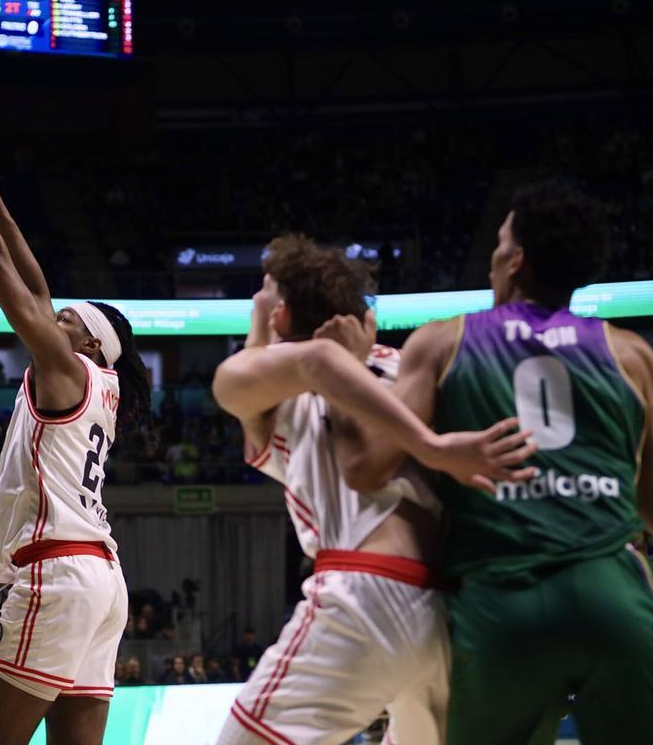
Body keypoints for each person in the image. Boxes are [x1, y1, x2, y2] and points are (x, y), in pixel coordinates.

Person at [344, 180, 653, 744]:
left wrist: (345, 374)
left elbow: (366, 468)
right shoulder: (629, 353)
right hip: (611, 595)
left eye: (499, 243)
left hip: (500, 603)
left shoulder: (441, 343)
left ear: (515, 261)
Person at [211, 235, 540, 745]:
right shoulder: (412, 366)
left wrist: (259, 319)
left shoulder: (289, 385)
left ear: (281, 315)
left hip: (367, 590)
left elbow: (268, 383)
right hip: (452, 611)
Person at [0, 83, 150, 745]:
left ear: (83, 341)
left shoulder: (66, 368)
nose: (53, 315)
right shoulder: (94, 381)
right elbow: (27, 270)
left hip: (60, 574)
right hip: (104, 583)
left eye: (66, 319)